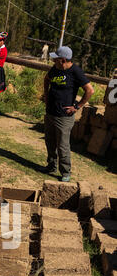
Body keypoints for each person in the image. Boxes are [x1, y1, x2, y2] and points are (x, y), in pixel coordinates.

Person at [42, 46, 94, 182]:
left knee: (62, 146)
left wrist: (77, 106)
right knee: (50, 141)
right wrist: (46, 96)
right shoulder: (55, 69)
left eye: (56, 59)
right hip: (50, 113)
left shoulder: (75, 72)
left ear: (63, 60)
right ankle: (51, 165)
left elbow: (90, 90)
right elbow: (46, 79)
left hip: (64, 117)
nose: (53, 61)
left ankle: (65, 172)